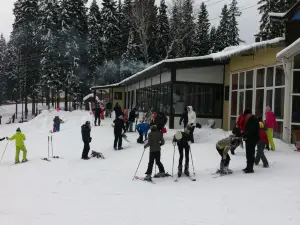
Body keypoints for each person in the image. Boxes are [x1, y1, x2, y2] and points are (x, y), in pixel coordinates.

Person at [243, 109, 260, 173]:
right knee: (248, 153)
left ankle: (250, 168)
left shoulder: (253, 119)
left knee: (250, 153)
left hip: (252, 139)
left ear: (249, 114)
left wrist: (245, 134)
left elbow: (251, 130)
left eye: (246, 115)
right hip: (249, 139)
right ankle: (248, 167)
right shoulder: (251, 119)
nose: (245, 117)